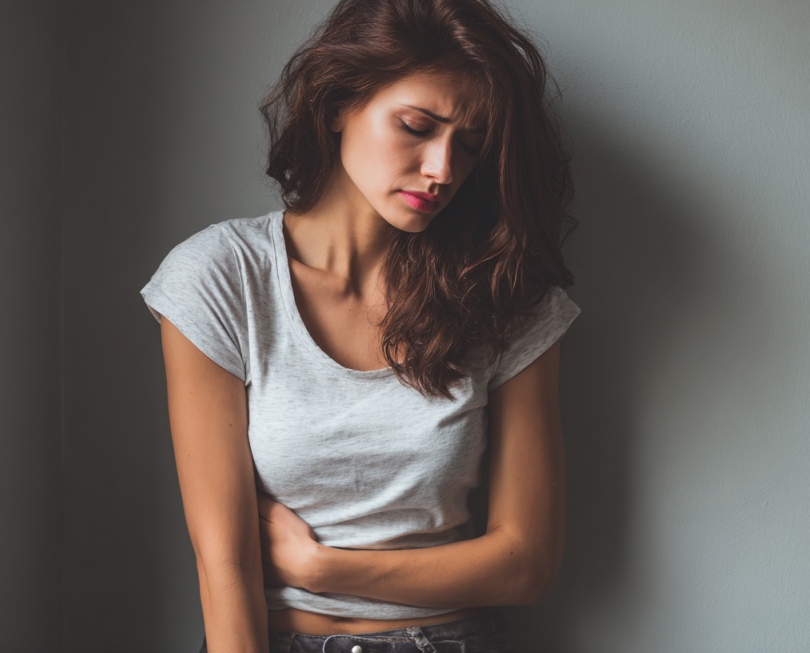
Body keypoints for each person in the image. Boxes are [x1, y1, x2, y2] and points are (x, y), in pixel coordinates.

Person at [139, 0, 581, 651]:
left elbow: (525, 565)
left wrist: (322, 566)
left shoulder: (501, 291)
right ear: (340, 103)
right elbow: (224, 564)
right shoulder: (220, 277)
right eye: (416, 126)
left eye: (469, 142)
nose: (442, 168)